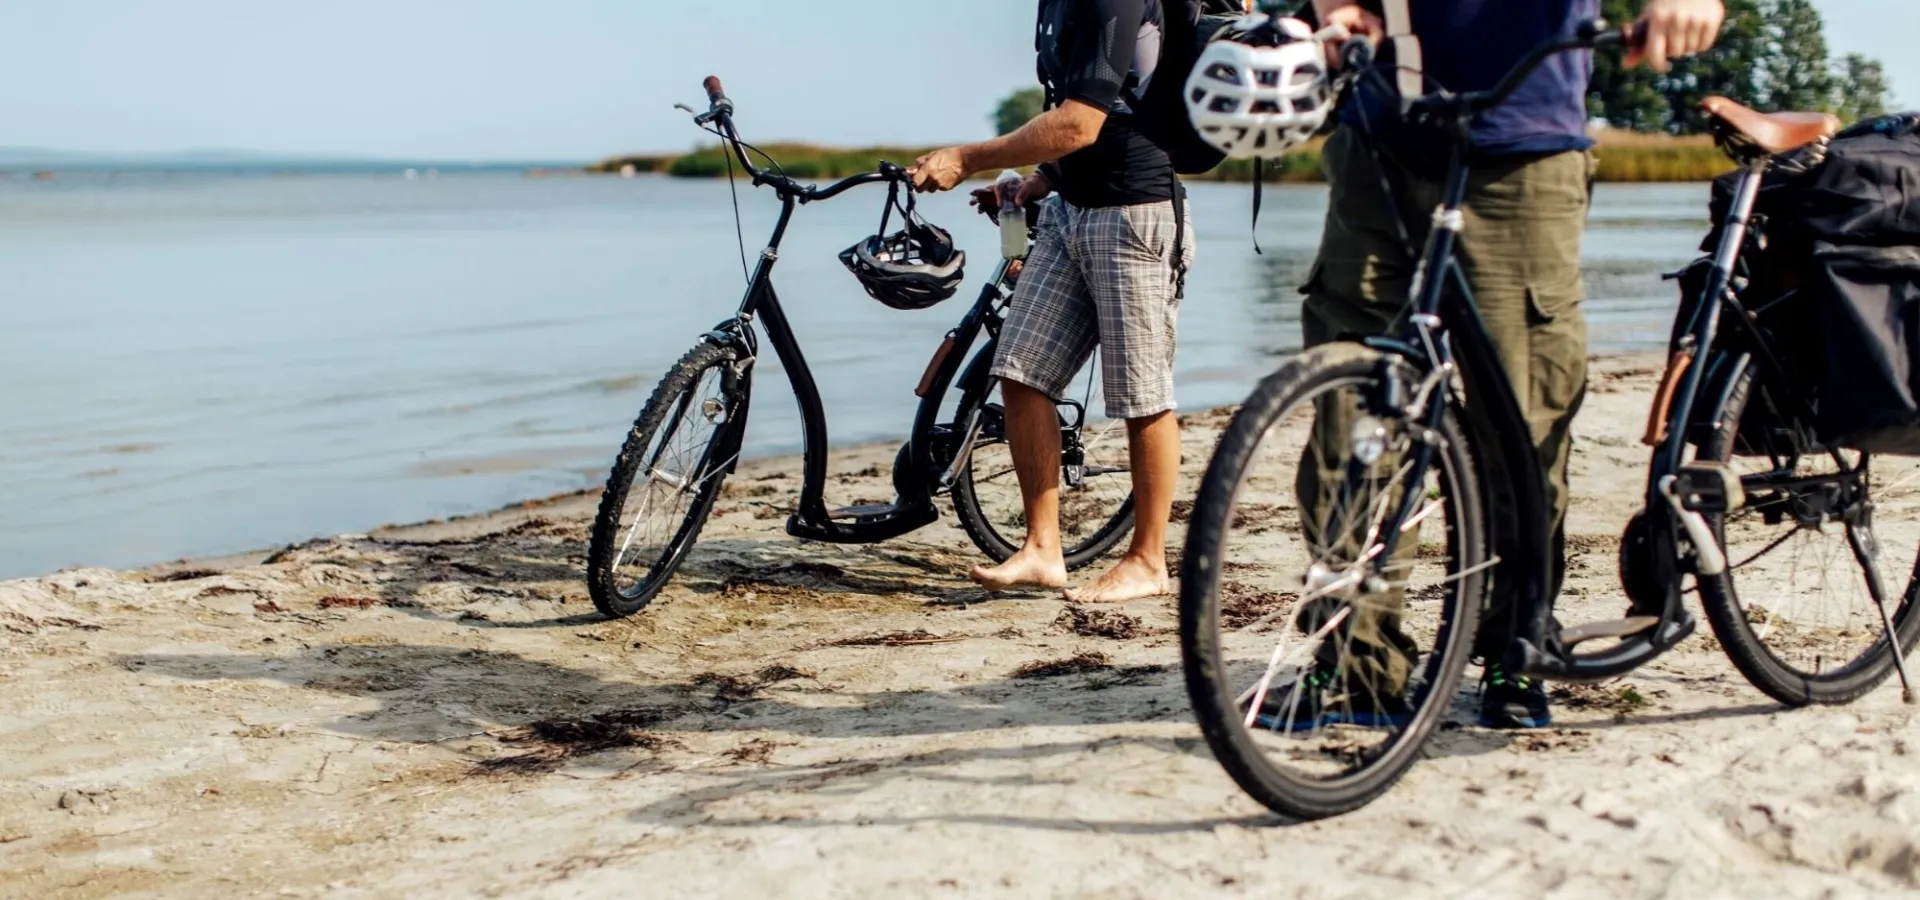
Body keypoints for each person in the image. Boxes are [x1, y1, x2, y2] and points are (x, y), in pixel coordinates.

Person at [1294, 0, 1726, 728]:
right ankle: (1356, 665)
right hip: (1377, 143)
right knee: (1351, 421)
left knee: (1520, 428)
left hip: (1520, 151)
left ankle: (1513, 646)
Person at [909, 0, 1194, 603]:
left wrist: (966, 157)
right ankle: (1043, 549)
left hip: (1135, 213)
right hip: (1071, 210)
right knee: (1019, 370)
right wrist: (1041, 180)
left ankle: (1147, 560)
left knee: (1142, 395)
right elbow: (1087, 113)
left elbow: (1082, 123)